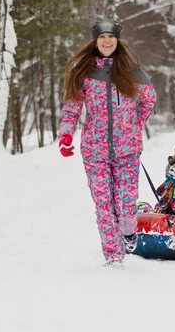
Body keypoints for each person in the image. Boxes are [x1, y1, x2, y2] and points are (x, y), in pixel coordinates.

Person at [58, 18, 156, 268]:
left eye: (110, 36)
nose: (106, 41)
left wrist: (134, 124)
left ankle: (128, 231)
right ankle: (113, 257)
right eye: (101, 37)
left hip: (127, 150)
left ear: (117, 40)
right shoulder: (85, 72)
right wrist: (66, 134)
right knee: (104, 206)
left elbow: (149, 100)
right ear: (95, 41)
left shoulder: (133, 71)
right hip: (94, 150)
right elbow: (71, 108)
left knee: (125, 205)